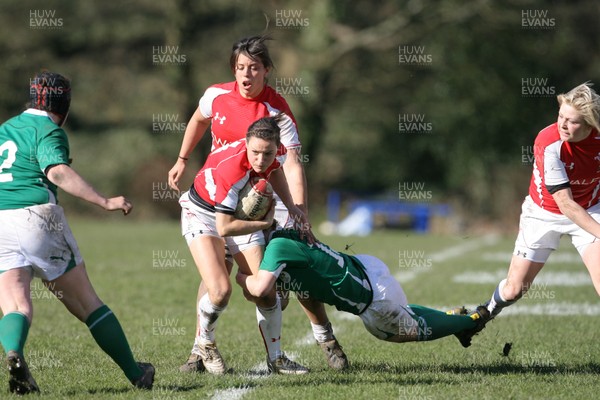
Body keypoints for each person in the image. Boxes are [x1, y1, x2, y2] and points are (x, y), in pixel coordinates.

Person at [168, 35, 348, 373]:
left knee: (295, 270)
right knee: (216, 279)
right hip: (221, 197)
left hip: (269, 196)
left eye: (254, 68)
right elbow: (197, 120)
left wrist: (299, 210)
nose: (246, 75)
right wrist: (182, 158)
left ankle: (325, 337)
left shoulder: (277, 111)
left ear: (267, 70)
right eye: (240, 68)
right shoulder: (216, 96)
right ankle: (199, 350)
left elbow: (290, 163)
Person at [0, 71, 154, 394]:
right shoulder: (48, 130)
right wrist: (104, 201)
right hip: (36, 218)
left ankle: (14, 352)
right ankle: (136, 372)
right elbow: (56, 171)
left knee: (17, 306)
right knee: (88, 303)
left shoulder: (5, 130)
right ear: (64, 104)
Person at [463, 82, 600, 347]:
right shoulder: (548, 142)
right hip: (544, 213)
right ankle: (484, 313)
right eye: (561, 116)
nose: (563, 125)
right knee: (514, 290)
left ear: (590, 124)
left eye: (572, 122)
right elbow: (566, 204)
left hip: (592, 209)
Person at [178, 114, 312, 374]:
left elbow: (274, 171)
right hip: (204, 216)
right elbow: (224, 227)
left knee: (265, 290)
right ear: (246, 143)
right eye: (256, 153)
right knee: (219, 291)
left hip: (238, 215)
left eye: (268, 153)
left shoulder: (272, 150)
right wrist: (265, 224)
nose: (261, 160)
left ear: (276, 148)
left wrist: (294, 209)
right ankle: (204, 344)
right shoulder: (232, 170)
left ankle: (277, 358)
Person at [236, 229, 488, 351]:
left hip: (375, 301)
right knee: (406, 314)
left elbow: (262, 290)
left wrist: (240, 276)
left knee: (396, 332)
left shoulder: (276, 248)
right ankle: (449, 318)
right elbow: (286, 296)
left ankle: (468, 322)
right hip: (366, 267)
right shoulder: (287, 236)